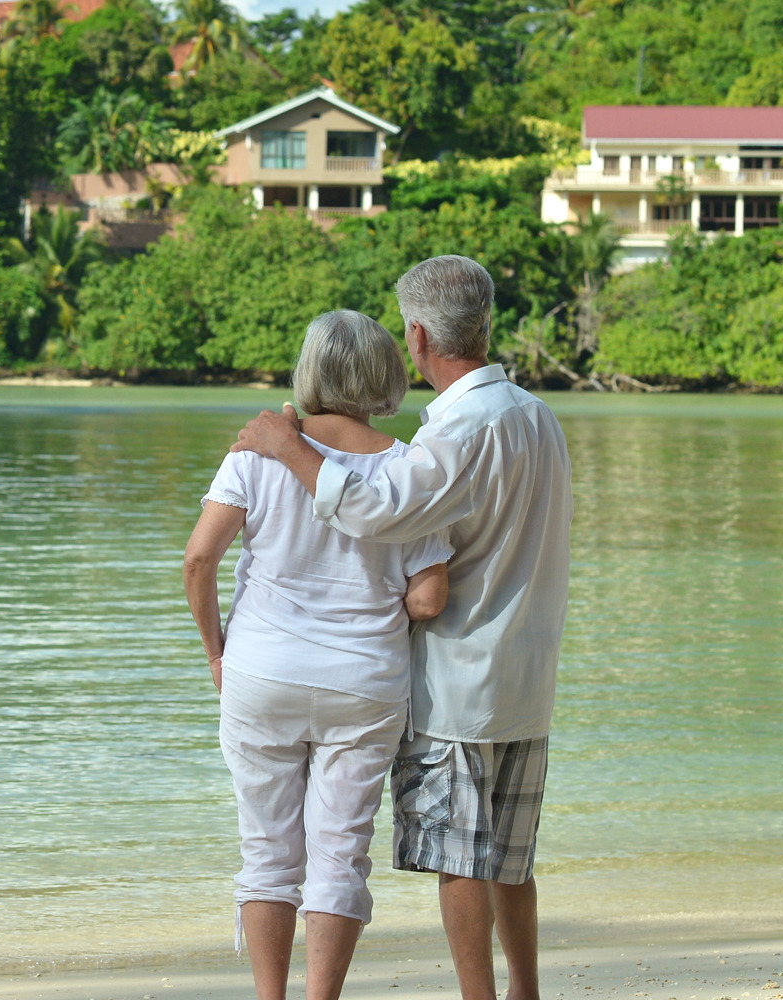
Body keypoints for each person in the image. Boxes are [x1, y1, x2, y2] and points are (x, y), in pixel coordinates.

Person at [231, 255, 573, 1000]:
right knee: (511, 859)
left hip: (460, 680)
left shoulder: (457, 430)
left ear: (416, 337)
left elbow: (381, 510)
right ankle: (526, 992)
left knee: (461, 859)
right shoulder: (536, 415)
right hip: (528, 675)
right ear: (483, 325)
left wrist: (289, 447)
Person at [184, 310, 454, 1000]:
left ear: (309, 374)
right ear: (387, 374)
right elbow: (429, 599)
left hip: (260, 673)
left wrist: (217, 654)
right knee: (339, 851)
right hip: (365, 684)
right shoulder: (410, 467)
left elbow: (198, 559)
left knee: (267, 851)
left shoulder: (256, 451)